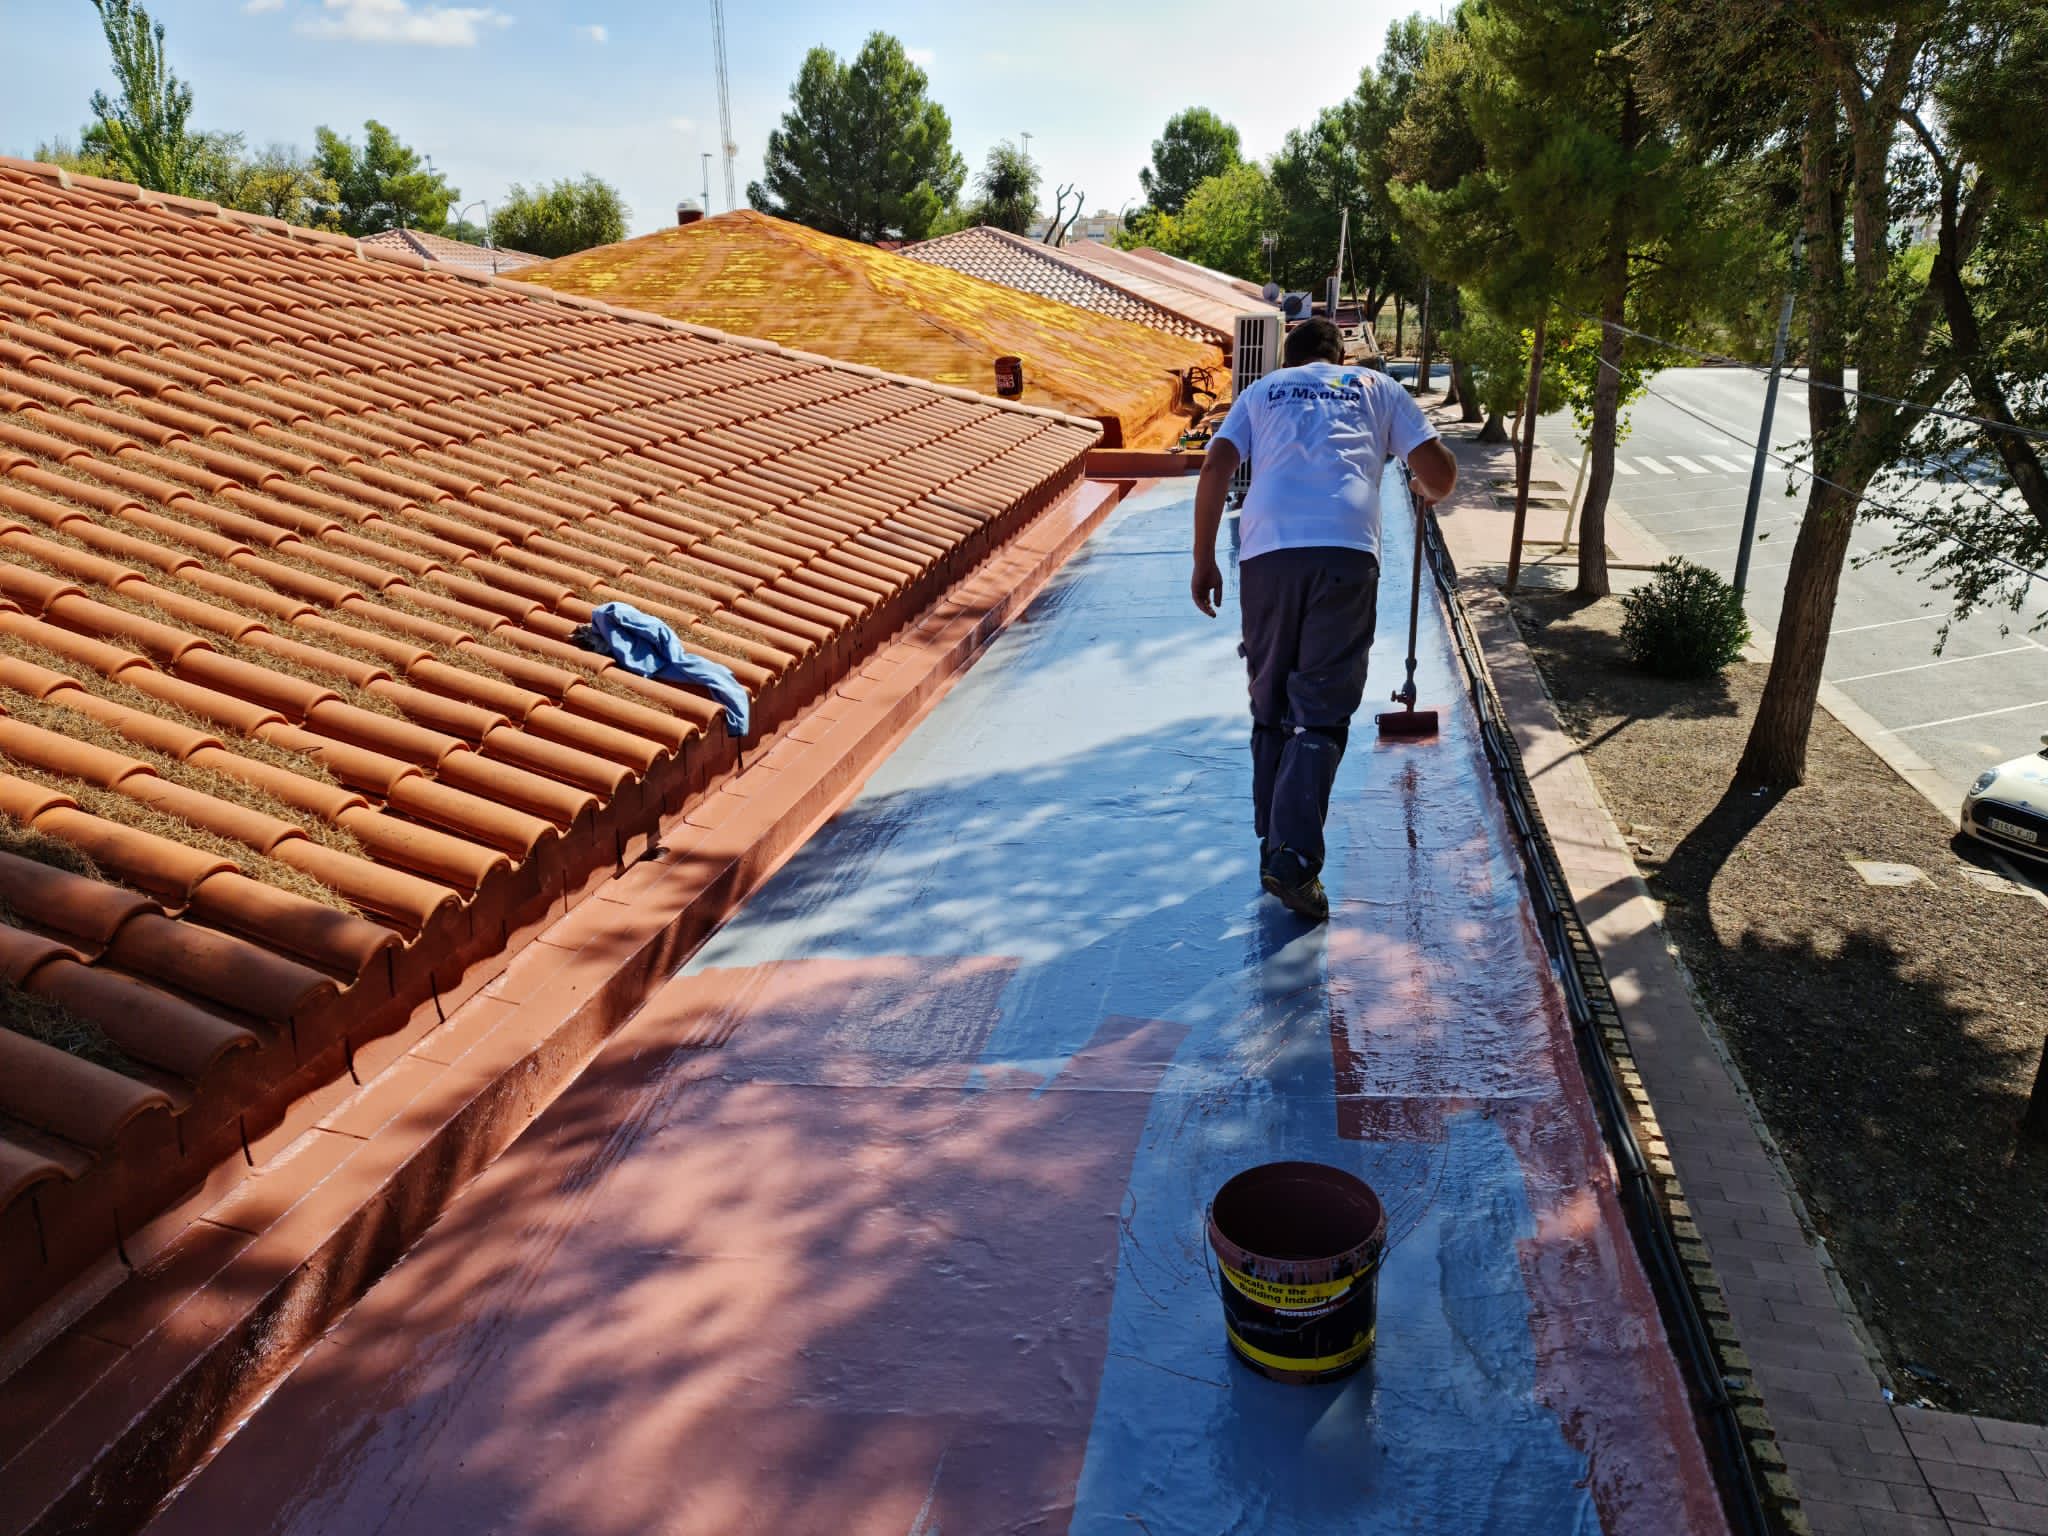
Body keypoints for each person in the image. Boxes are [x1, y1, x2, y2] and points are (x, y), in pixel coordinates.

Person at [1190, 317, 1458, 922]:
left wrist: (1205, 561)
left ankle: (1273, 842)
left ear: (1288, 359)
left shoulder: (1262, 391)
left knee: (1271, 702)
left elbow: (1214, 469)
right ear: (1340, 355)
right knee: (1320, 709)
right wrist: (1422, 485)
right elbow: (1441, 476)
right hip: (1344, 553)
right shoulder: (1375, 388)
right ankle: (1292, 860)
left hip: (1266, 558)